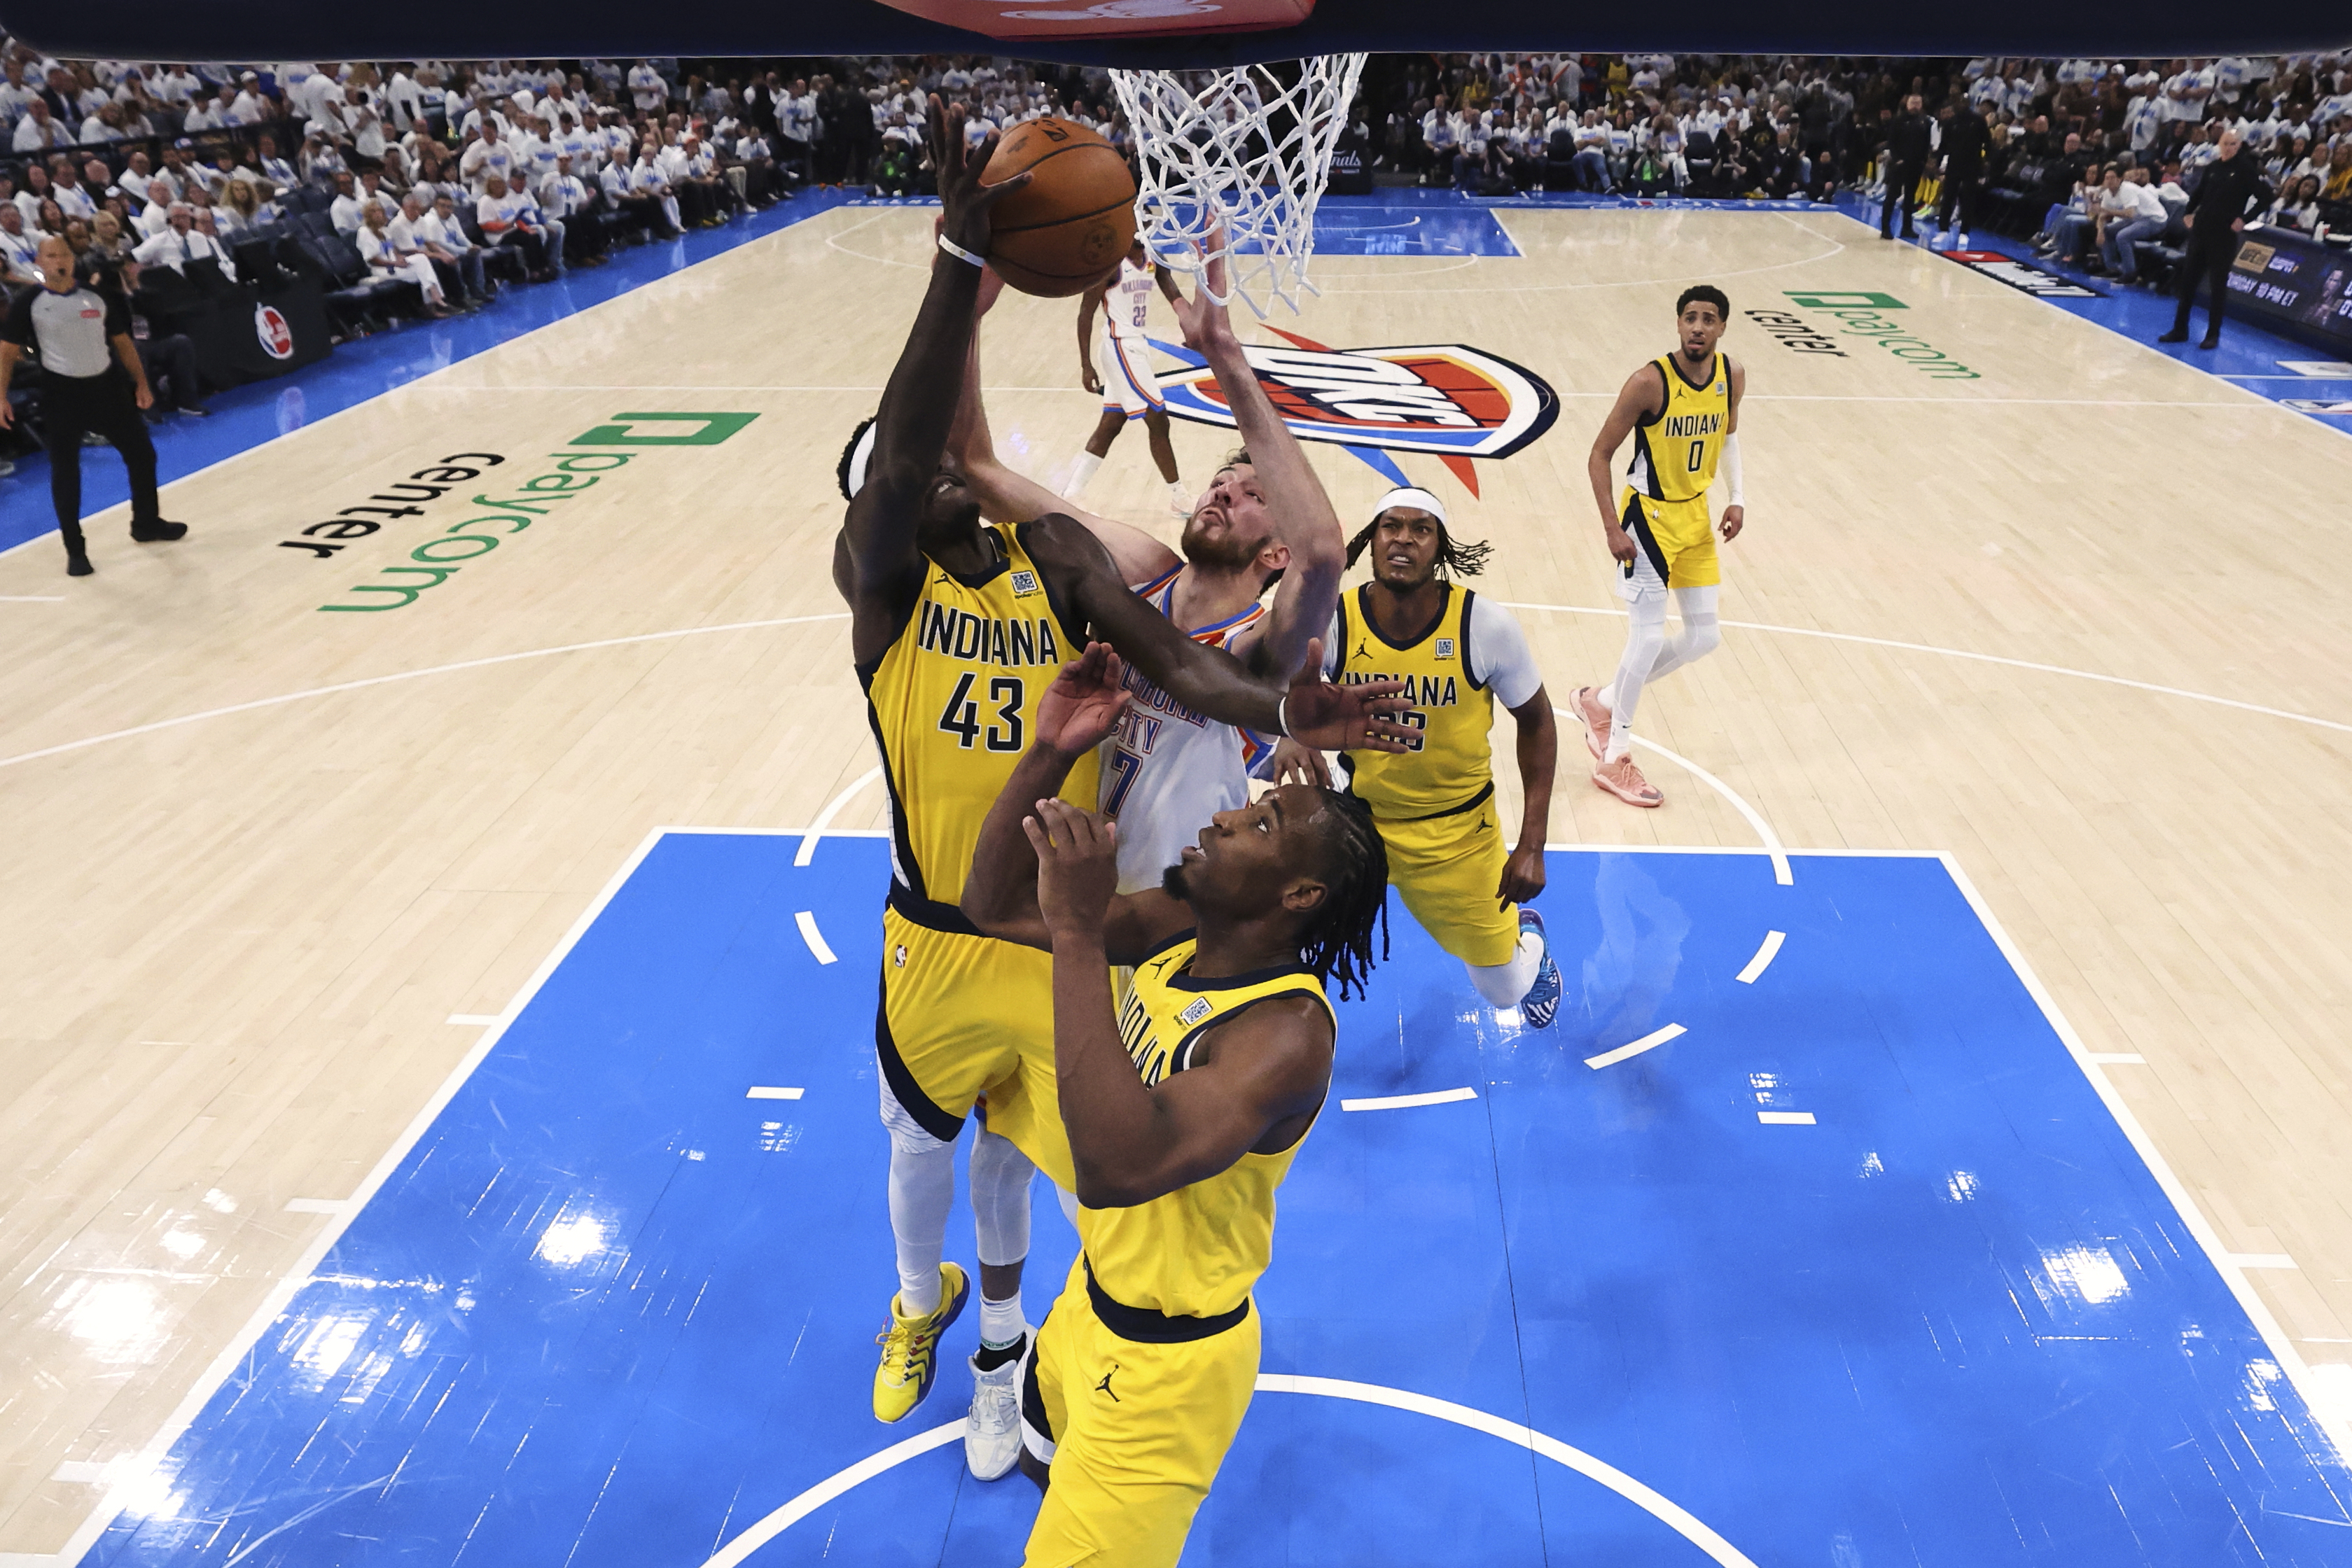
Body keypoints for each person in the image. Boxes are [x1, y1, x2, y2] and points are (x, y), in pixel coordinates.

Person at [838, 97, 1407, 1478]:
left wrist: (1226, 360)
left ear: (1273, 548)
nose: (1232, 497)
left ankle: (1039, 1380)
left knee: (1107, 1179)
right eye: (1220, 480)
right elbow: (962, 463)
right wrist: (962, 268)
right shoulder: (1126, 574)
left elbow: (1323, 544)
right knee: (972, 1134)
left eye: (1250, 494)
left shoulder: (1273, 636)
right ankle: (990, 1346)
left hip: (1168, 931)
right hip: (1066, 900)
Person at [957, 642, 1389, 1568]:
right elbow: (986, 903)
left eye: (1264, 822)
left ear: (1299, 893)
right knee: (1047, 1467)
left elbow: (1114, 1171)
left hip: (1165, 1373)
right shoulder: (1179, 925)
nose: (1232, 813)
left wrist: (1076, 931)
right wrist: (1043, 750)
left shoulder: (1281, 1036)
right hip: (1089, 1303)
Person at [1271, 487, 1564, 1025]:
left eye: (1420, 529)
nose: (1403, 539)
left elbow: (1538, 721)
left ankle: (1532, 946)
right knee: (1279, 918)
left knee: (1502, 993)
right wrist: (1289, 727)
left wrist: (1531, 842)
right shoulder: (1336, 618)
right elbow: (1283, 682)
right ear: (1372, 539)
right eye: (1390, 526)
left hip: (1456, 835)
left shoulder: (1483, 626)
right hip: (1357, 824)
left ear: (1440, 547)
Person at [1571, 284, 1744, 809]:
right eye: (1689, 317)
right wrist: (1609, 527)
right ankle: (1612, 757)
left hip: (1694, 516)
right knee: (1645, 639)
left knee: (1704, 637)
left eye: (1708, 319)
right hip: (1645, 519)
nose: (1697, 327)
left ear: (1721, 328)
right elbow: (1599, 454)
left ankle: (1598, 702)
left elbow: (1729, 435)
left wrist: (1737, 497)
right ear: (1677, 323)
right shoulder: (1649, 382)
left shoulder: (1730, 375)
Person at [0, 236, 188, 577]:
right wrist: (0, 396)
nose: (59, 260)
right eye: (51, 255)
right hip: (61, 394)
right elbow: (7, 352)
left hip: (107, 387)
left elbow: (123, 343)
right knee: (66, 470)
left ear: (73, 259)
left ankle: (146, 522)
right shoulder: (30, 301)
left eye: (65, 254)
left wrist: (141, 383)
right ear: (39, 262)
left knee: (142, 454)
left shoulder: (95, 295)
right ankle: (76, 549)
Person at [1066, 239, 1186, 517]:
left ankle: (1072, 492)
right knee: (1158, 418)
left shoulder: (1152, 254)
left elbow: (1170, 286)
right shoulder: (1110, 263)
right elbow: (1086, 313)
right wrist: (1085, 364)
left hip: (1137, 344)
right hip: (1120, 346)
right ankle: (1179, 496)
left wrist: (1188, 319)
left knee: (1111, 424)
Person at [2159, 125, 2270, 349]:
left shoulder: (2245, 169)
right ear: (2219, 145)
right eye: (2225, 144)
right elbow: (2199, 193)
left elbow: (2266, 196)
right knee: (2188, 282)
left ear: (2239, 146)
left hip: (2223, 235)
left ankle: (2213, 334)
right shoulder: (2212, 167)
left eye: (2233, 144)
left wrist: (2245, 219)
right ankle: (2180, 329)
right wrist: (2189, 212)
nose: (2229, 148)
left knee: (2217, 286)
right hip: (2201, 231)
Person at [1879, 91, 1933, 238]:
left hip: (1916, 165)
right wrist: (1897, 159)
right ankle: (1885, 228)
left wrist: (1924, 161)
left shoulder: (1925, 122)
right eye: (1913, 103)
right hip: (1900, 164)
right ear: (1907, 104)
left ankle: (1907, 228)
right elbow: (1892, 142)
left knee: (1910, 197)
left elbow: (1926, 143)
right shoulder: (1898, 121)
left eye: (1918, 103)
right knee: (1892, 195)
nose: (1915, 106)